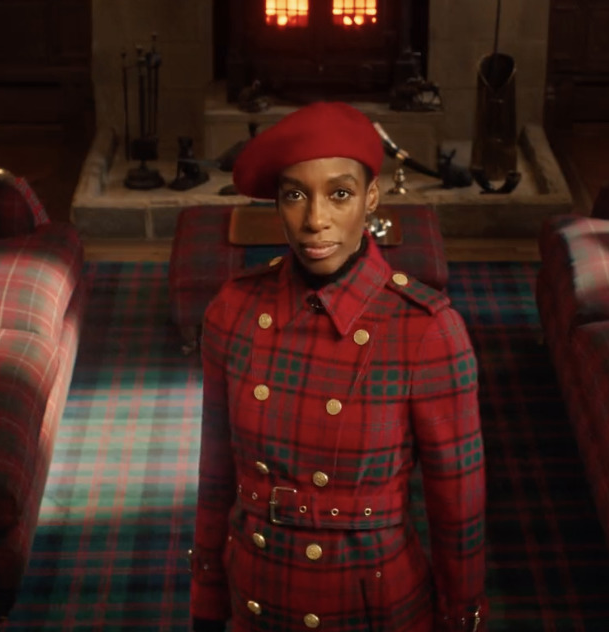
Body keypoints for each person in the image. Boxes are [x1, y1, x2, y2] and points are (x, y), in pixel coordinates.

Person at [189, 102, 486, 632]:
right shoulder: (231, 310)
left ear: (372, 198)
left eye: (340, 194)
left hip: (372, 605)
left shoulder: (427, 330)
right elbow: (216, 476)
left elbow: (457, 509)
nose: (315, 220)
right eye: (295, 194)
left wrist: (460, 618)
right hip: (256, 588)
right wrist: (207, 600)